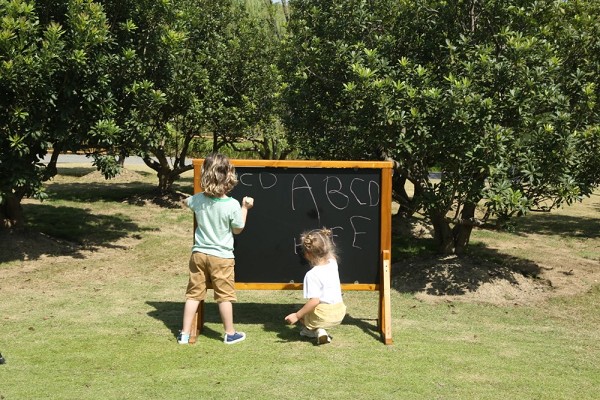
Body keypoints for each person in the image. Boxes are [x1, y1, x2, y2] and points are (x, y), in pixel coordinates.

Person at [178, 153, 254, 345]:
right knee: (224, 296)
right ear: (228, 176)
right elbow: (238, 229)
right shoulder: (232, 205)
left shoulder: (198, 200)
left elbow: (185, 201)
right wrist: (245, 207)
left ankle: (185, 334)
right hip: (221, 257)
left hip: (199, 254)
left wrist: (192, 201)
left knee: (193, 294)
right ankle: (230, 333)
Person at [284, 228, 347, 345]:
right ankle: (320, 330)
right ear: (327, 248)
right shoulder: (333, 263)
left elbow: (314, 301)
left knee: (304, 312)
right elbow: (330, 254)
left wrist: (297, 315)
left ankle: (315, 330)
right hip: (340, 312)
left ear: (307, 254)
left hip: (324, 315)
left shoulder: (312, 275)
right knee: (311, 312)